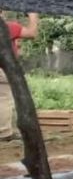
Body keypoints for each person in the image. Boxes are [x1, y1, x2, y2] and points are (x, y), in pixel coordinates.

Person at [0, 11, 41, 142]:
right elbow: (32, 33)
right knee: (4, 99)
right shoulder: (8, 26)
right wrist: (33, 16)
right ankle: (4, 132)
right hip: (2, 68)